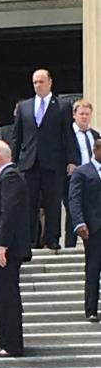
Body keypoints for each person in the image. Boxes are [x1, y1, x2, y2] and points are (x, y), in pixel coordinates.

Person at [11, 68, 77, 251]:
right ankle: (30, 239)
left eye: (41, 82)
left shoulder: (62, 106)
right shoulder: (24, 107)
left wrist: (72, 160)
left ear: (50, 83)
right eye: (35, 82)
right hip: (29, 162)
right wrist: (13, 161)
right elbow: (17, 136)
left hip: (53, 161)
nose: (37, 86)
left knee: (52, 201)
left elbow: (68, 135)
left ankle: (52, 238)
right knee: (29, 202)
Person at [0, 140, 31, 358]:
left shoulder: (10, 177)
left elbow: (9, 213)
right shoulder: (0, 179)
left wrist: (3, 244)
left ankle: (12, 344)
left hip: (5, 249)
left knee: (6, 295)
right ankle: (5, 342)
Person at [68, 138, 101, 322]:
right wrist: (79, 223)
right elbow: (74, 199)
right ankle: (91, 309)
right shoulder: (82, 172)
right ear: (96, 150)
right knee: (93, 268)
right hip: (94, 227)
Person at [64, 99, 100, 247]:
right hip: (74, 177)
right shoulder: (67, 134)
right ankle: (70, 245)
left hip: (93, 179)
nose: (84, 117)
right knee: (73, 210)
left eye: (87, 114)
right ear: (74, 115)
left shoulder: (96, 135)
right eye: (81, 114)